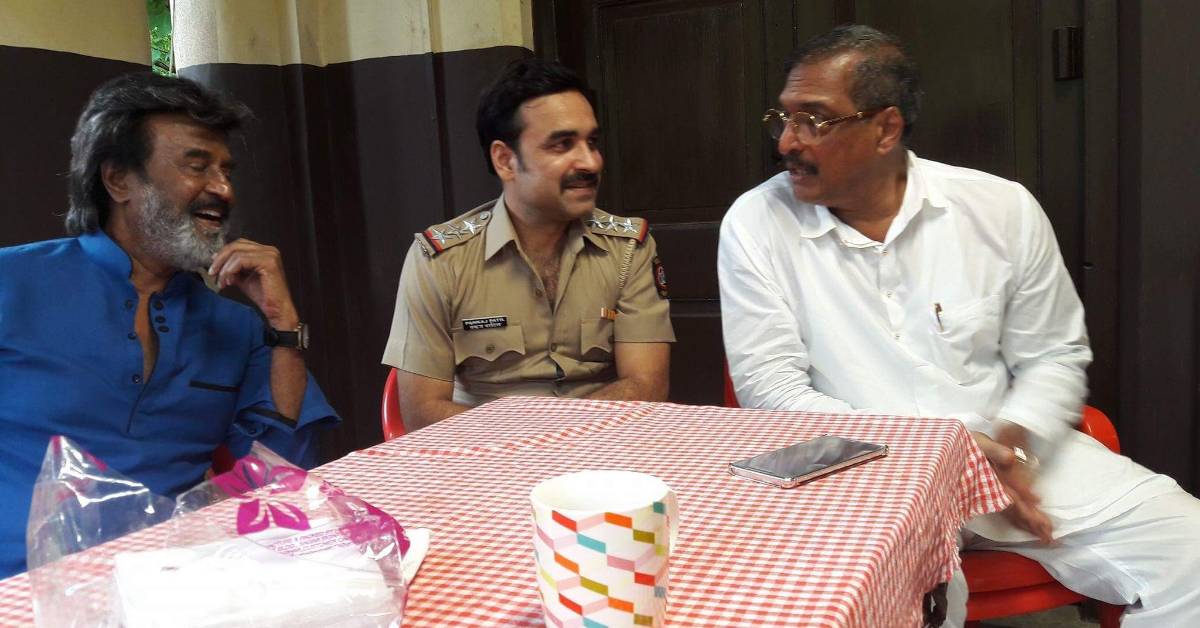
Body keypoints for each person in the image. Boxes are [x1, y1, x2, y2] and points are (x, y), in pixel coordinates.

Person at [717, 25, 1200, 627]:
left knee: (1191, 552)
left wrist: (1018, 447)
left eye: (813, 119)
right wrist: (941, 454)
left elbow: (1053, 355)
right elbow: (772, 391)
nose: (787, 141)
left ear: (885, 128)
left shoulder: (1000, 208)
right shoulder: (756, 222)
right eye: (783, 119)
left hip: (1010, 456)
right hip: (861, 474)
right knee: (899, 602)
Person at [0, 73, 340, 577]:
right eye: (195, 165)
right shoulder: (12, 281)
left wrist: (282, 323)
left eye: (226, 170)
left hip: (173, 583)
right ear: (118, 180)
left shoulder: (238, 327)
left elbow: (281, 470)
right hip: (19, 582)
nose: (222, 190)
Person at [383, 58, 674, 431]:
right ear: (505, 160)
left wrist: (558, 437)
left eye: (592, 142)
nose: (590, 162)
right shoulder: (441, 260)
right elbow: (422, 411)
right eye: (562, 144)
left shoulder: (628, 248)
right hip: (484, 455)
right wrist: (535, 442)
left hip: (602, 445)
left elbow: (647, 386)